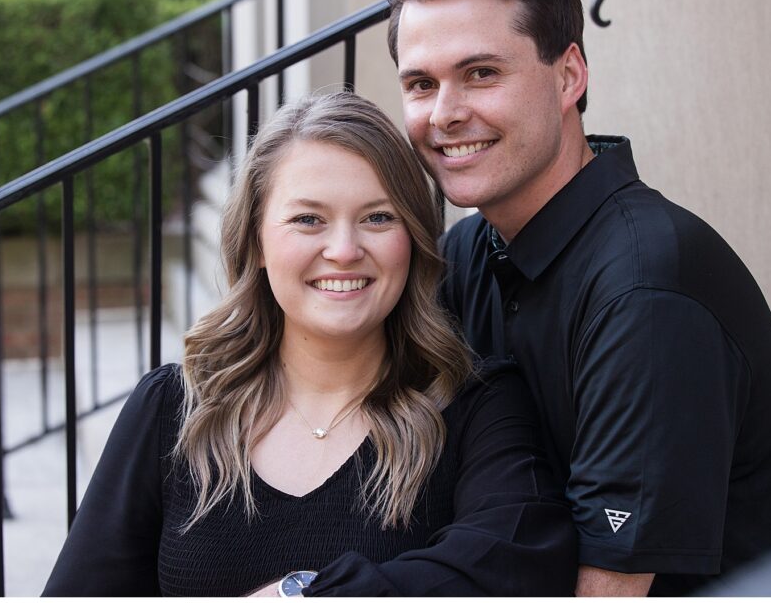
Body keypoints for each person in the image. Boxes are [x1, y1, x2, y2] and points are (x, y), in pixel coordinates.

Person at [385, 0, 771, 597]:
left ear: (569, 75)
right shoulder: (474, 249)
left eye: (480, 73)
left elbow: (611, 586)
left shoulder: (646, 286)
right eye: (421, 83)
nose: (445, 113)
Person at [42, 91, 577, 597]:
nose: (343, 250)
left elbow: (519, 568)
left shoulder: (476, 406)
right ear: (255, 240)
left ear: (413, 239)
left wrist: (312, 595)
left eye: (377, 217)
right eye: (308, 220)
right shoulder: (173, 409)